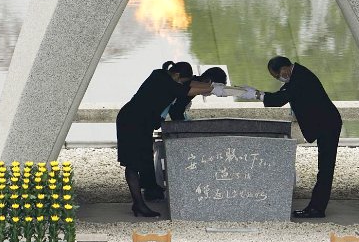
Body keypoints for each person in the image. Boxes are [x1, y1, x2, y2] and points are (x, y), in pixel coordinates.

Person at [238, 56, 342, 218]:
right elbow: (281, 95)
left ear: (285, 69)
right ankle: (316, 206)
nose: (279, 78)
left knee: (325, 168)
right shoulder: (295, 75)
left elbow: (279, 99)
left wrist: (256, 95)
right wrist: (259, 94)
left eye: (277, 75)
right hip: (326, 123)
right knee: (324, 167)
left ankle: (317, 208)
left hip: (328, 124)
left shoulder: (299, 78)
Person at [116, 61, 219, 217]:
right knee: (132, 163)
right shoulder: (161, 80)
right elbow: (187, 89)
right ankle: (138, 203)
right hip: (131, 122)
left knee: (143, 158)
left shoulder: (164, 75)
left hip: (142, 123)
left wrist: (210, 86)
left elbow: (190, 83)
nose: (182, 83)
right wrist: (215, 89)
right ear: (177, 75)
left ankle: (145, 195)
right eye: (182, 80)